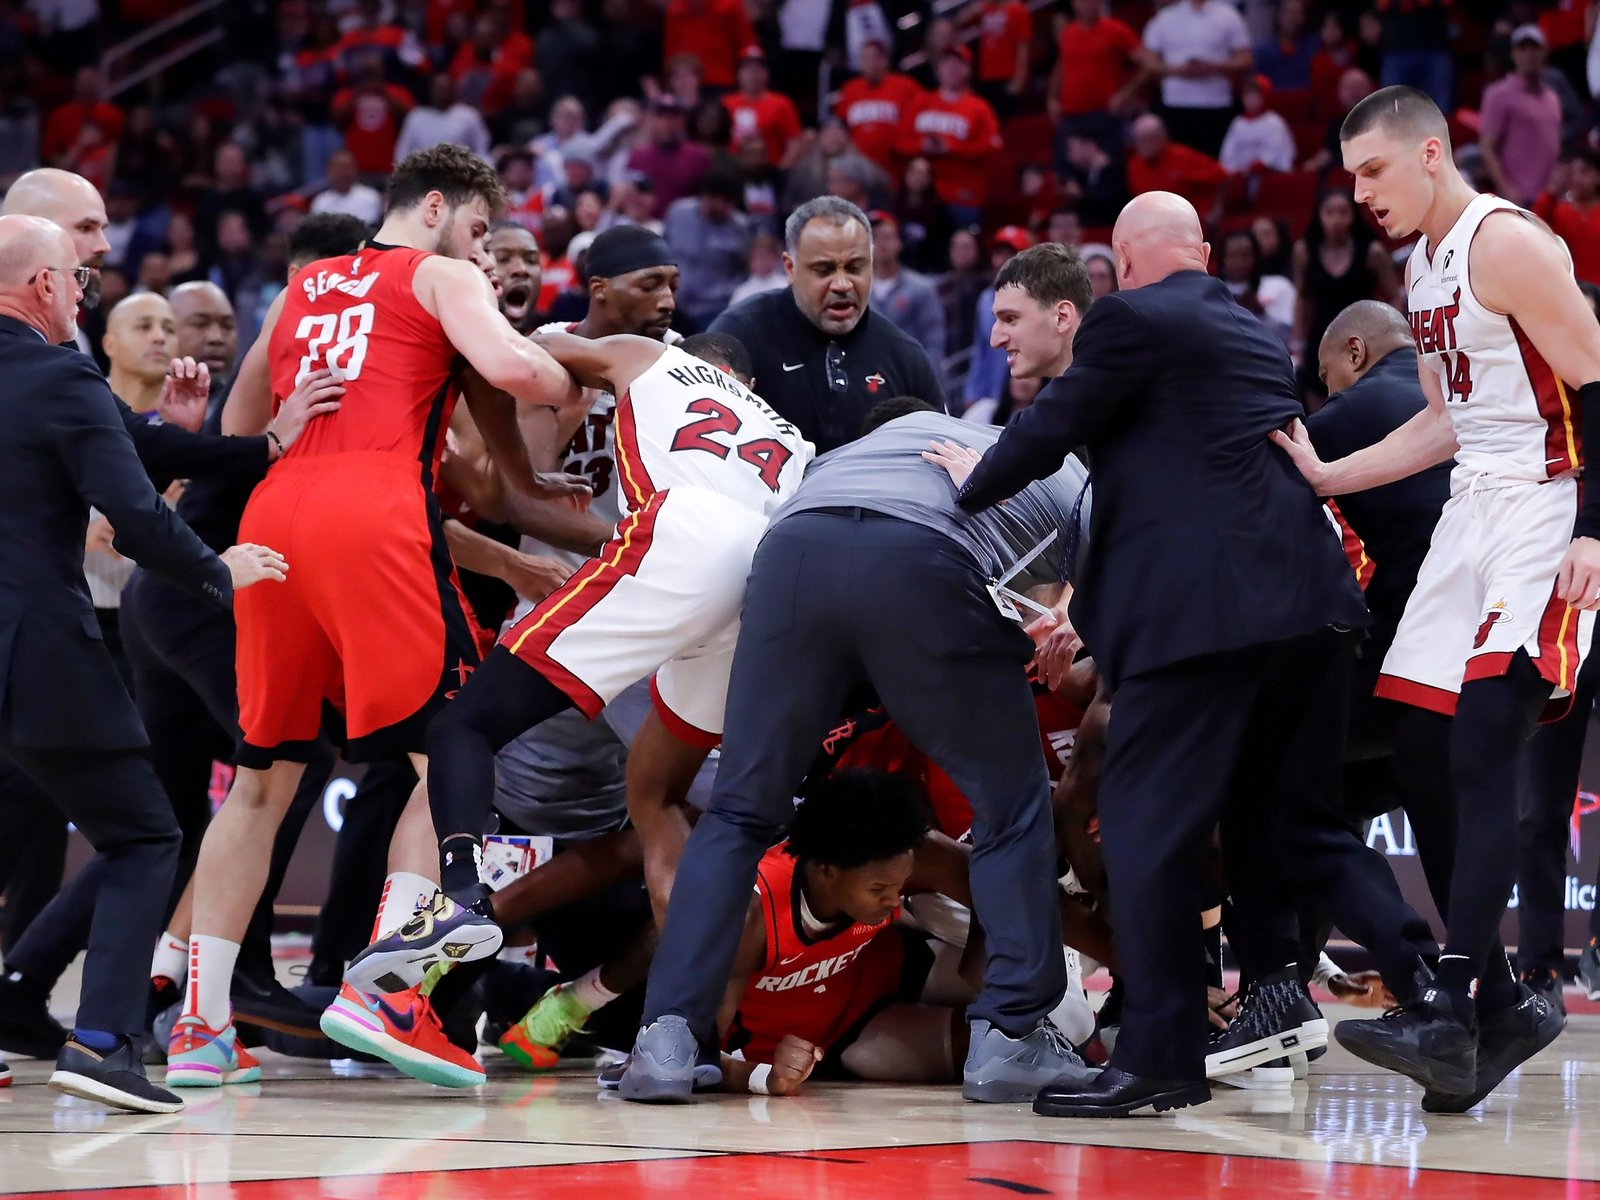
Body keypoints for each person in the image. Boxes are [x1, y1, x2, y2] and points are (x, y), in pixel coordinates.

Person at [617, 254, 1096, 1101]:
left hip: (793, 552)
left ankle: (664, 1041)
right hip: (917, 563)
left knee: (740, 807)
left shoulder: (863, 444)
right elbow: (1122, 577)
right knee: (1014, 804)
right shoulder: (1062, 463)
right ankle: (1012, 1036)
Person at [165, 144, 583, 1091]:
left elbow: (236, 435)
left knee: (260, 780)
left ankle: (199, 1025)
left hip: (275, 517)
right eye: (479, 233)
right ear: (435, 208)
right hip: (375, 514)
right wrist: (586, 380)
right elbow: (514, 368)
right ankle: (388, 988)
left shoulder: (301, 288)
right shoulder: (435, 274)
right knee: (452, 747)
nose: (483, 257)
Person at [954, 193, 1374, 1118]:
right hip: (1298, 613)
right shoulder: (1255, 330)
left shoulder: (1132, 319)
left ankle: (1159, 1053)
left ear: (1120, 267)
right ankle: (1332, 990)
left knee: (1145, 827)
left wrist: (970, 486)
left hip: (1198, 623)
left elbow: (1051, 426)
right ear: (1205, 251)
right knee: (1258, 822)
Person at [1273, 84, 1600, 1111]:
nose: (1359, 194)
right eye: (1349, 177)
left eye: (1371, 171)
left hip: (1546, 510)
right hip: (1471, 507)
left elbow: (1595, 388)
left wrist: (1594, 530)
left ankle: (1455, 998)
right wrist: (1334, 477)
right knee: (1413, 740)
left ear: (1428, 155)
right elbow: (1446, 424)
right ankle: (1499, 1007)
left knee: (1479, 743)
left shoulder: (1506, 243)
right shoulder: (1419, 267)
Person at [336, 332, 811, 1025]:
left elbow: (500, 358)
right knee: (663, 802)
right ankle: (683, 1032)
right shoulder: (790, 438)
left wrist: (522, 475)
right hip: (761, 588)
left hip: (681, 536)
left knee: (466, 723)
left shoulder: (648, 354)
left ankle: (462, 900)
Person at [0, 212, 286, 1112]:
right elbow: (134, 512)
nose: (85, 291)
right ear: (45, 286)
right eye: (79, 279)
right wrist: (218, 572)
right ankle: (104, 1043)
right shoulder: (58, 373)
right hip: (39, 650)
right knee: (145, 834)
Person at [711, 196, 946, 453]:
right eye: (824, 270)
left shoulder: (905, 356)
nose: (842, 284)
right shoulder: (738, 337)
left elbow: (941, 457)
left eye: (855, 268)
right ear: (790, 268)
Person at [1291, 187, 1398, 398]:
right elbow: (1302, 298)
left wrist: (1392, 341)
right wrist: (1297, 341)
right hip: (1320, 342)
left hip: (1363, 342)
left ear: (1353, 215)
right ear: (1319, 215)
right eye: (1329, 212)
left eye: (1343, 212)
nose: (1336, 219)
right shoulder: (1304, 252)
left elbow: (1394, 297)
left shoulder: (1372, 252)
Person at [897, 46, 1002, 229]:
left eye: (958, 64)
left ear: (968, 70)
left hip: (961, 196)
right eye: (947, 63)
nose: (952, 68)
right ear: (938, 69)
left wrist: (952, 147)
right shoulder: (921, 101)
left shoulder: (979, 107)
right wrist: (922, 145)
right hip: (923, 197)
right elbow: (898, 142)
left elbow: (992, 146)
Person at [1138, 0, 1253, 158]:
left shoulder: (1229, 16)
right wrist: (1179, 70)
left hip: (1217, 106)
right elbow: (1148, 62)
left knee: (1214, 164)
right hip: (1175, 105)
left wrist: (1213, 66)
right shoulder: (1165, 18)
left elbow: (1245, 59)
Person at [1479, 26, 1563, 210]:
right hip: (1518, 197)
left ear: (1544, 53)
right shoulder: (1499, 94)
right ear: (1514, 54)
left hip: (1550, 197)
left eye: (1535, 48)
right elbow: (1488, 147)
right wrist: (1506, 189)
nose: (1529, 54)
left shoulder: (1552, 97)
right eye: (1523, 49)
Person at [836, 40, 924, 174]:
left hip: (897, 168)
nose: (869, 63)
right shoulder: (850, 89)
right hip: (859, 170)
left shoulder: (906, 87)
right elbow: (841, 127)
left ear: (885, 60)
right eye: (864, 58)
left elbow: (922, 121)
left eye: (873, 58)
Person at [867, 211, 945, 361]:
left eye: (887, 237)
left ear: (899, 243)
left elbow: (934, 344)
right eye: (874, 238)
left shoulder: (921, 288)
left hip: (909, 377)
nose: (881, 243)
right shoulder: (858, 289)